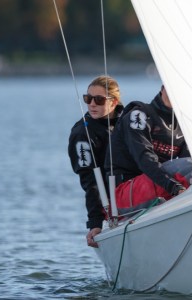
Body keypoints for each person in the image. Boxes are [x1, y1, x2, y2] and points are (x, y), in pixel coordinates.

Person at [105, 85, 192, 218]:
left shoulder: (184, 122)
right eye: (171, 87)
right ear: (163, 88)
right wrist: (174, 187)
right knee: (190, 165)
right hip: (123, 195)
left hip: (156, 187)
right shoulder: (139, 116)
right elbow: (145, 158)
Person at [68, 75, 123, 248]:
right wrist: (95, 223)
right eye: (88, 98)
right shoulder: (82, 135)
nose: (91, 104)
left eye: (98, 99)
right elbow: (89, 181)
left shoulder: (126, 120)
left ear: (113, 102)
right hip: (113, 200)